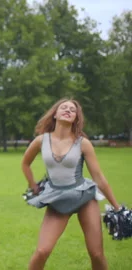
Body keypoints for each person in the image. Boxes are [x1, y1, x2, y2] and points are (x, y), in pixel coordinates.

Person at [22, 98, 122, 270]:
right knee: (42, 251)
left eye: (72, 110)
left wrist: (117, 207)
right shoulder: (41, 140)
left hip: (84, 197)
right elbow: (25, 163)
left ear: (76, 118)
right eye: (64, 107)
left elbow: (99, 178)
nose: (68, 110)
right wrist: (34, 186)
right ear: (55, 114)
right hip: (57, 199)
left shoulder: (83, 143)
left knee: (96, 253)